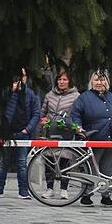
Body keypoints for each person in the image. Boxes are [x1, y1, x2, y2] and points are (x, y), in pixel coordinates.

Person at [70, 71, 112, 207]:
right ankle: (87, 195)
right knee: (92, 169)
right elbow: (75, 115)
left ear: (107, 82)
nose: (100, 83)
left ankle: (106, 195)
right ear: (91, 82)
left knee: (108, 169)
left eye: (102, 80)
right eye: (96, 80)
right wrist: (78, 127)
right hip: (94, 138)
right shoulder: (84, 98)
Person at [0, 68, 41, 199]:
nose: (20, 80)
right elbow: (0, 109)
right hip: (7, 133)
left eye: (23, 76)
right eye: (18, 76)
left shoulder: (31, 94)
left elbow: (36, 113)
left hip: (23, 133)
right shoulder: (6, 93)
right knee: (3, 162)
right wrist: (11, 93)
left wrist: (28, 129)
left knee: (22, 163)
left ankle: (23, 191)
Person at [40, 67, 80, 199]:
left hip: (66, 132)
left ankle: (64, 189)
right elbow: (43, 112)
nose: (62, 82)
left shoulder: (76, 96)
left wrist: (73, 125)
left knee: (65, 161)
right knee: (49, 160)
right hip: (50, 131)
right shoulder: (49, 95)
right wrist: (43, 120)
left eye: (65, 79)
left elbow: (77, 114)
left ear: (69, 81)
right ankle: (49, 188)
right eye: (59, 79)